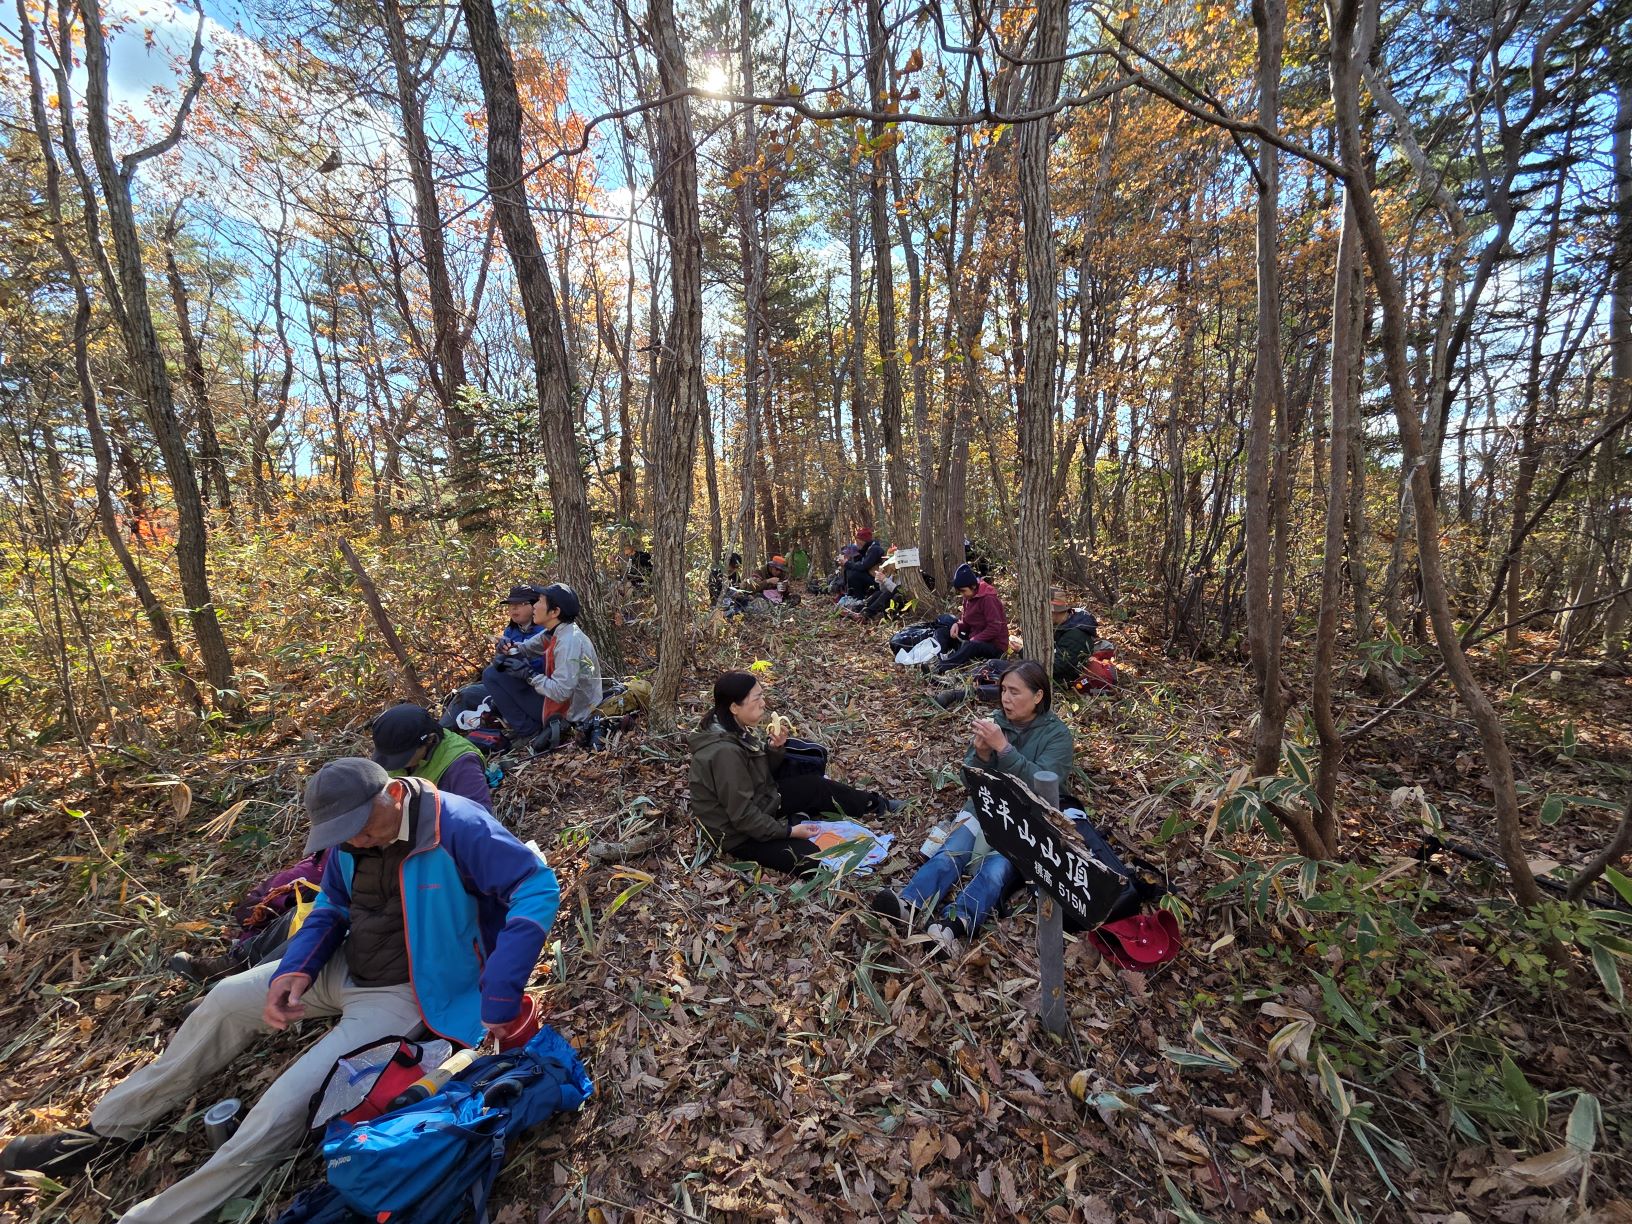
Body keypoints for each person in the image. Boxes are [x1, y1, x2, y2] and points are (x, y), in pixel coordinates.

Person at [0, 758, 560, 1223]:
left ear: (393, 794)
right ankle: (106, 1130)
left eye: (363, 827)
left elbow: (535, 886)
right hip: (344, 967)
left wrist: (500, 990)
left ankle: (159, 1217)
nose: (355, 841)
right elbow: (331, 906)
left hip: (413, 992)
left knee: (281, 1106)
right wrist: (296, 970)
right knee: (224, 999)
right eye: (344, 834)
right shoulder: (350, 838)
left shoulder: (456, 825)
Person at [869, 661, 1071, 947]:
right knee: (951, 852)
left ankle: (954, 925)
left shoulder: (1057, 734)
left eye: (1015, 692)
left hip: (1027, 821)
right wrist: (981, 755)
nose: (1005, 698)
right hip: (983, 805)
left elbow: (1043, 787)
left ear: (1038, 696)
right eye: (1003, 690)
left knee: (995, 870)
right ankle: (909, 903)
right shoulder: (996, 722)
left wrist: (1004, 749)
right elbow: (969, 779)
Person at [689, 671, 901, 876]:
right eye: (757, 698)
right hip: (739, 835)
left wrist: (775, 749)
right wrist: (789, 832)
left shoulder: (733, 728)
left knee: (815, 786)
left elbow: (756, 776)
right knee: (811, 858)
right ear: (735, 707)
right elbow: (742, 816)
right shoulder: (724, 752)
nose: (763, 703)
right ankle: (797, 825)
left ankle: (876, 804)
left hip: (762, 802)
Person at [510, 583, 605, 751]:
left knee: (498, 678)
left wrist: (529, 675)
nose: (534, 606)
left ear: (554, 612)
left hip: (573, 711)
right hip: (563, 701)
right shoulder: (555, 631)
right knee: (496, 673)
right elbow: (527, 648)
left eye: (539, 602)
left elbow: (561, 692)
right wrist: (509, 647)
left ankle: (529, 731)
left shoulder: (568, 642)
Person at [462, 583, 550, 736]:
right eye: (510, 605)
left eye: (520, 604)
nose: (514, 608)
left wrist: (520, 659)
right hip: (515, 685)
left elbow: (546, 667)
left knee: (490, 675)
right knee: (465, 693)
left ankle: (528, 730)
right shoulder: (510, 631)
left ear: (535, 605)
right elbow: (501, 667)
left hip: (540, 692)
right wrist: (501, 654)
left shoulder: (545, 631)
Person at [372, 702, 492, 811]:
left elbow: (480, 817)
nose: (393, 765)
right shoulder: (390, 746)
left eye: (401, 758)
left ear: (430, 740)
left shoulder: (461, 765)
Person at [933, 563, 1008, 673]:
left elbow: (994, 628)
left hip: (994, 647)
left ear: (973, 586)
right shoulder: (968, 597)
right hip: (973, 639)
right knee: (942, 631)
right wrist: (957, 625)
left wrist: (974, 639)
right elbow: (966, 622)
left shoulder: (988, 599)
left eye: (963, 591)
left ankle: (941, 668)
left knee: (972, 646)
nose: (962, 595)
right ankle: (941, 657)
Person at [1050, 588, 1100, 684]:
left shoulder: (1075, 634)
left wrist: (1022, 650)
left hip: (1066, 683)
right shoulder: (1063, 625)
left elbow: (1055, 667)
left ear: (1054, 611)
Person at [844, 527, 885, 598]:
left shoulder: (875, 549)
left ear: (863, 541)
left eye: (858, 540)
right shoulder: (866, 549)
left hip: (877, 579)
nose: (857, 543)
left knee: (854, 574)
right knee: (849, 571)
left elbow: (863, 566)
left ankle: (860, 598)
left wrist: (847, 563)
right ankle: (852, 594)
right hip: (871, 576)